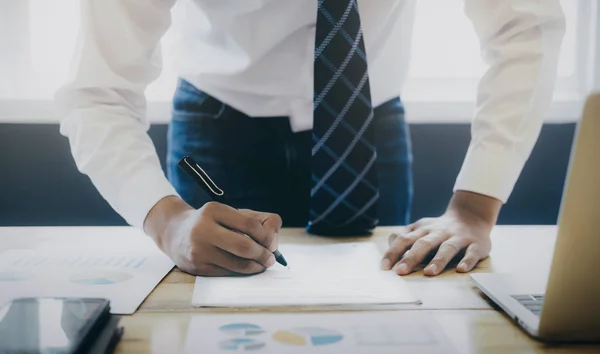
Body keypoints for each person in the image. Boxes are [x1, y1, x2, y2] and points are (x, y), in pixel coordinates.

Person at [55, 0, 565, 277]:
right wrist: (165, 222)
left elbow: (525, 27)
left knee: (387, 317)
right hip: (218, 125)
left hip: (367, 124)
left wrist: (476, 207)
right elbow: (98, 89)